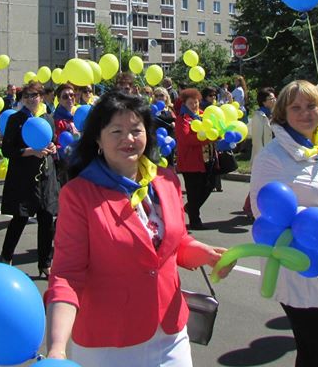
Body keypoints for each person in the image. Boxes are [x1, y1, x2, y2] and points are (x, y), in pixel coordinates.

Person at [43, 92, 231, 365]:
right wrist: (57, 349)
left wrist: (207, 254)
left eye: (136, 130)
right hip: (109, 343)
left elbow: (174, 244)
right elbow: (67, 275)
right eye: (116, 130)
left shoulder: (165, 181)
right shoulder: (79, 195)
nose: (128, 139)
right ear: (98, 137)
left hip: (171, 334)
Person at [249, 80, 318, 367]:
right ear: (282, 114)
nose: (305, 113)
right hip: (301, 269)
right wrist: (315, 218)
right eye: (295, 107)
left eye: (312, 106)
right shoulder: (272, 157)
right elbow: (263, 212)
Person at [0, 81, 59, 275]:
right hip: (23, 176)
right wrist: (30, 151)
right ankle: (6, 256)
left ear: (41, 97)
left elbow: (53, 141)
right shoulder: (16, 119)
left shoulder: (48, 118)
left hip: (45, 175)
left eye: (34, 95)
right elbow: (7, 149)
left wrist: (52, 148)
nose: (31, 99)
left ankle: (45, 263)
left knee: (47, 219)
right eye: (27, 96)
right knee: (20, 218)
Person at [173, 88, 215, 230]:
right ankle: (195, 220)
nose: (194, 106)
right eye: (191, 103)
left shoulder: (204, 115)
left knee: (210, 185)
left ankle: (190, 207)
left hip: (206, 159)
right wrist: (207, 139)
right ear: (185, 104)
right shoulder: (182, 119)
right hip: (190, 162)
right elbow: (186, 139)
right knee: (193, 191)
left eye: (196, 102)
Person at [242, 87, 276, 220]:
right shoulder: (258, 116)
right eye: (270, 99)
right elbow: (257, 140)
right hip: (263, 154)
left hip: (274, 153)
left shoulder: (274, 114)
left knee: (264, 182)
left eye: (274, 98)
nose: (273, 101)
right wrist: (263, 157)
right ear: (263, 102)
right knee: (261, 182)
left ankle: (250, 206)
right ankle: (249, 207)